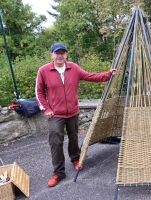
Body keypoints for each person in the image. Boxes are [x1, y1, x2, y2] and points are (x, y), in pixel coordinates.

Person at [35, 43, 117, 187]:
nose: (60, 55)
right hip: (56, 114)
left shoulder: (74, 68)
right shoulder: (44, 71)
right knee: (55, 141)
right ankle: (59, 172)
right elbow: (39, 92)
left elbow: (90, 76)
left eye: (62, 53)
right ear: (52, 55)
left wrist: (108, 74)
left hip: (73, 111)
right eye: (57, 53)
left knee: (73, 137)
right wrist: (46, 108)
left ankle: (75, 158)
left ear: (66, 55)